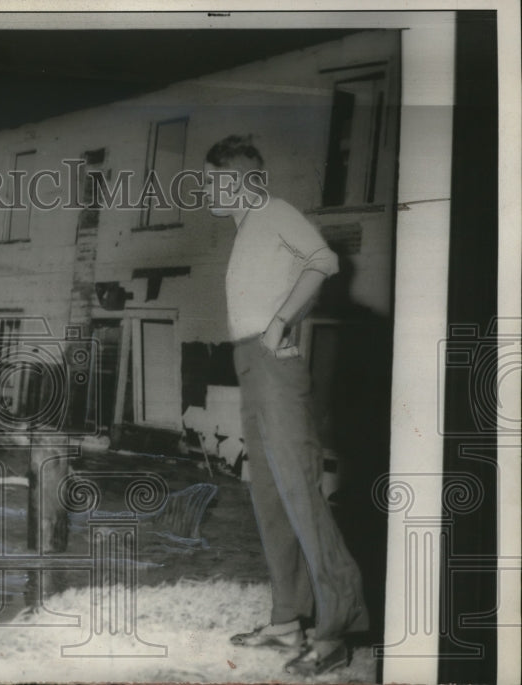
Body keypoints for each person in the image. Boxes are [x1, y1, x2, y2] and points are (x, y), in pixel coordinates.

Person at [202, 134, 369, 677]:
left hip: (273, 362)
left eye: (215, 181)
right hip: (250, 361)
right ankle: (286, 619)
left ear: (246, 181)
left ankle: (337, 629)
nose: (207, 190)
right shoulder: (249, 228)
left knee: (300, 495)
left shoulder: (274, 212)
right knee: (269, 495)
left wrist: (279, 324)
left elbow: (323, 261)